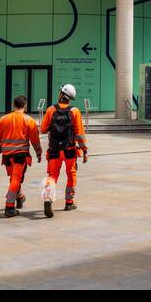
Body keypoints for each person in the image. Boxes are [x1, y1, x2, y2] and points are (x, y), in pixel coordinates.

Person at [40, 84, 90, 215]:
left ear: (61, 94)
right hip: (70, 150)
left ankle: (48, 198)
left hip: (54, 150)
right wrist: (84, 150)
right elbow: (79, 133)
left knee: (52, 175)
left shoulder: (51, 110)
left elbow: (43, 129)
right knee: (71, 174)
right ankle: (69, 202)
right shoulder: (75, 111)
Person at [0, 95, 42, 216]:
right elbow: (35, 140)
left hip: (7, 157)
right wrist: (38, 152)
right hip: (20, 156)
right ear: (24, 106)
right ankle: (9, 207)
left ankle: (19, 197)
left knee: (14, 179)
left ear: (13, 105)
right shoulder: (29, 120)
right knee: (16, 179)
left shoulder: (4, 119)